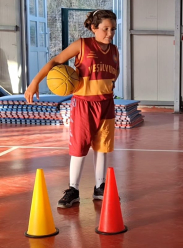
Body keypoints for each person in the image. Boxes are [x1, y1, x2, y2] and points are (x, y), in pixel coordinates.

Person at [24, 10, 119, 208]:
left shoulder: (114, 50)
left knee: (102, 148)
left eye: (113, 29)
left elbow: (112, 76)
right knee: (79, 149)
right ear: (94, 28)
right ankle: (73, 189)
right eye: (105, 29)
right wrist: (35, 82)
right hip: (84, 103)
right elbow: (55, 61)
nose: (109, 33)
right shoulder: (82, 45)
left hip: (106, 103)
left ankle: (100, 187)